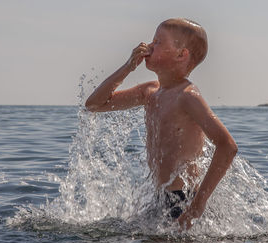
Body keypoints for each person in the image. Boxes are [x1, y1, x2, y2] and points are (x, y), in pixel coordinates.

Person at [85, 18, 237, 230]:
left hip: (182, 200)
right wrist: (128, 67)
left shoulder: (187, 97)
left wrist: (197, 205)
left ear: (181, 54)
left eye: (157, 42)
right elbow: (94, 104)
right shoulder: (150, 92)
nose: (148, 46)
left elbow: (227, 145)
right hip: (158, 198)